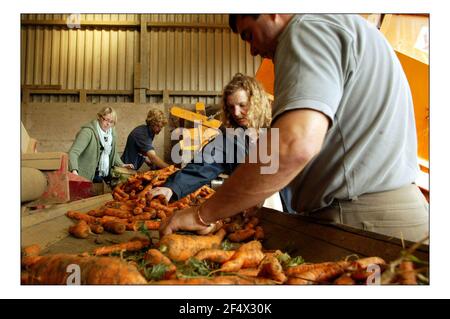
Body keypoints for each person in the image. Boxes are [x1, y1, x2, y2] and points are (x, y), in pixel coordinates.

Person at [160, 14, 429, 242]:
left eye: (249, 35)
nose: (252, 50)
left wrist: (202, 214)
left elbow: (294, 145)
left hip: (362, 220)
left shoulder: (305, 29)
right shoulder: (349, 26)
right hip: (393, 212)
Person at [150, 73, 275, 205]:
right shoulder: (230, 138)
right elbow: (203, 165)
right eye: (231, 107)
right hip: (249, 206)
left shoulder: (279, 126)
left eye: (242, 105)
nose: (236, 113)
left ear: (256, 102)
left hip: (286, 207)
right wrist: (172, 187)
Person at [68, 106, 133, 182]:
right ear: (99, 117)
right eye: (106, 120)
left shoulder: (112, 133)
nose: (108, 124)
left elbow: (113, 153)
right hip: (85, 174)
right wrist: (74, 171)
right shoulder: (87, 132)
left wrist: (121, 165)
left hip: (102, 173)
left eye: (111, 122)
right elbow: (73, 152)